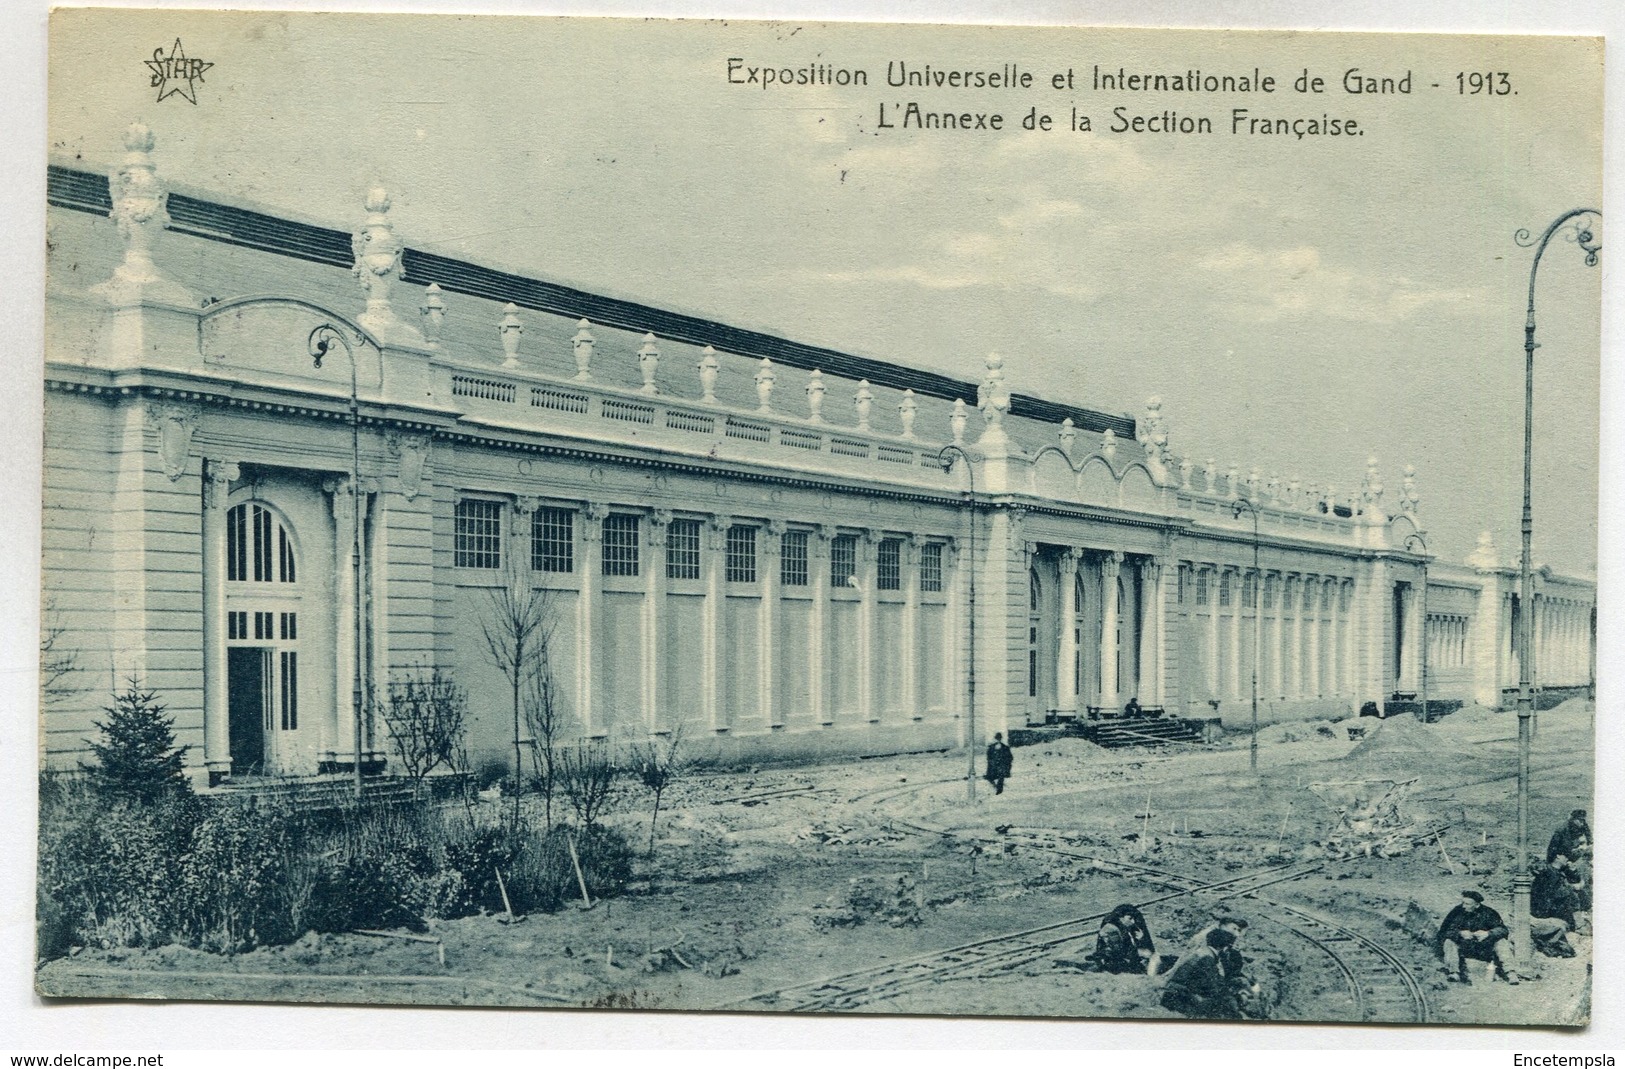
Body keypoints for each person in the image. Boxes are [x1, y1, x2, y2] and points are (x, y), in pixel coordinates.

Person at [1437, 890, 1517, 984]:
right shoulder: (1457, 912)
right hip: (1464, 948)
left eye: (1467, 904)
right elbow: (1443, 932)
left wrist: (1488, 933)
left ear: (1477, 904)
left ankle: (1510, 973)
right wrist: (1459, 933)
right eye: (1463, 902)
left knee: (1501, 942)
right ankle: (1454, 972)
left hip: (1484, 948)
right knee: (1449, 942)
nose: (1463, 906)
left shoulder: (1489, 913)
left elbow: (1503, 930)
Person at [1160, 928, 1242, 1019]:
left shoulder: (1203, 952)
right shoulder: (1207, 959)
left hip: (1173, 994)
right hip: (1179, 999)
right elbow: (1214, 988)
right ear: (1224, 947)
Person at [1530, 854, 1583, 957]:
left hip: (1556, 914)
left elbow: (1575, 881)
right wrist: (1572, 888)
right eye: (1566, 856)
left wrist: (1573, 871)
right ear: (1558, 856)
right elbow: (1555, 894)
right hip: (1545, 915)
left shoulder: (1560, 872)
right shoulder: (1549, 873)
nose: (1568, 859)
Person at [1083, 903, 1157, 974]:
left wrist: (1140, 939)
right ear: (1120, 917)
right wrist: (1140, 951)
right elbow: (1119, 952)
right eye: (1130, 918)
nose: (1133, 922)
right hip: (1113, 965)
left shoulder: (1123, 928)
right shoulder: (1111, 929)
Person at [1547, 809, 1592, 910]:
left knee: (1578, 878)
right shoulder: (1562, 830)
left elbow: (1590, 838)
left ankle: (1585, 907)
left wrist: (1586, 846)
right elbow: (1552, 849)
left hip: (1573, 856)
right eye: (1579, 820)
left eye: (1583, 820)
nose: (1582, 823)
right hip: (1561, 857)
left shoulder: (1583, 825)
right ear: (1573, 819)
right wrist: (1556, 863)